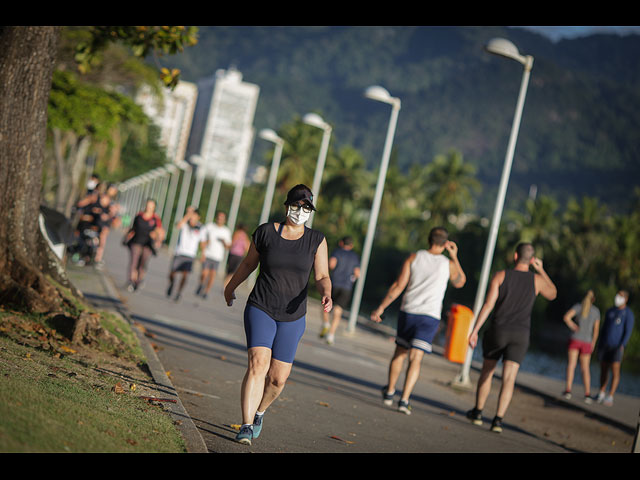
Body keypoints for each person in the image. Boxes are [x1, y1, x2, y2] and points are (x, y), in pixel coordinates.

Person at [223, 184, 332, 446]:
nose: (301, 211)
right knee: (257, 364)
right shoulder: (265, 233)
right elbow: (249, 263)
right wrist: (230, 287)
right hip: (261, 306)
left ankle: (259, 413)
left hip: (293, 316)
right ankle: (246, 425)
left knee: (277, 379)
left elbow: (322, 275)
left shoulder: (316, 240)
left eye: (306, 208)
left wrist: (327, 293)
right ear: (287, 206)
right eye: (297, 206)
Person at [370, 227, 466, 415]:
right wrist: (454, 256)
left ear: (429, 239)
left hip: (409, 312)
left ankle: (389, 392)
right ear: (446, 244)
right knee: (416, 358)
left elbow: (398, 286)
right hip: (430, 317)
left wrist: (381, 307)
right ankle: (404, 400)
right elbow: (460, 282)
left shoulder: (414, 258)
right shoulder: (448, 264)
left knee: (400, 352)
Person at [466, 243, 557, 433]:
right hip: (520, 335)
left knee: (487, 371)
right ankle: (498, 421)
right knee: (509, 378)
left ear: (515, 256)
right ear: (532, 260)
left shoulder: (501, 275)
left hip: (499, 330)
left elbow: (488, 305)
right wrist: (542, 271)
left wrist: (475, 330)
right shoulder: (537, 280)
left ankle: (478, 412)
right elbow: (553, 294)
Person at [595, 290, 634, 406]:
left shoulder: (628, 313)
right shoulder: (610, 310)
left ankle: (610, 396)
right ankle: (601, 392)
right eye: (618, 295)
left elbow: (628, 331)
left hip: (617, 346)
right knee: (603, 369)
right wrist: (599, 343)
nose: (618, 297)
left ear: (626, 299)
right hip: (605, 344)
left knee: (615, 371)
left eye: (621, 296)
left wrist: (622, 345)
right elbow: (604, 328)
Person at [319, 236, 360, 345]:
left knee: (326, 304)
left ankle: (326, 323)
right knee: (338, 311)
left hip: (334, 283)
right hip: (346, 286)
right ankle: (331, 335)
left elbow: (331, 264)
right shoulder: (355, 256)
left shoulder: (337, 251)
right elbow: (357, 273)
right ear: (351, 245)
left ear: (341, 243)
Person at [562, 290, 600, 404]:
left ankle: (568, 390)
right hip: (587, 342)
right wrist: (593, 343)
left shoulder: (578, 307)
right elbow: (596, 330)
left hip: (575, 338)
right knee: (585, 369)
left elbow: (566, 317)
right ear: (594, 299)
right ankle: (587, 394)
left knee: (571, 365)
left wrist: (573, 326)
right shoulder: (596, 311)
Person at [122, 198, 164, 292]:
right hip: (137, 241)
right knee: (134, 262)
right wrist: (127, 236)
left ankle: (138, 281)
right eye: (148, 205)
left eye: (151, 206)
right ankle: (131, 281)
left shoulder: (156, 218)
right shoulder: (139, 215)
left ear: (154, 207)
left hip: (148, 244)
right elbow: (133, 228)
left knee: (142, 264)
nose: (149, 207)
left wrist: (157, 239)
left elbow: (160, 231)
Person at [166, 207, 204, 303]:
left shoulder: (200, 227)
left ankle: (179, 292)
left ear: (198, 217)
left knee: (185, 275)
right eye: (192, 215)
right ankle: (172, 284)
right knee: (172, 273)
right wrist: (187, 215)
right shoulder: (185, 223)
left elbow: (202, 241)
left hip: (190, 255)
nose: (192, 217)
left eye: (194, 215)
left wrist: (203, 253)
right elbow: (178, 226)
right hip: (179, 252)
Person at [196, 211, 232, 299]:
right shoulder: (209, 226)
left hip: (217, 257)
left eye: (222, 218)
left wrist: (224, 242)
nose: (220, 219)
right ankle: (201, 284)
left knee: (212, 275)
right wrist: (203, 252)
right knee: (204, 273)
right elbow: (203, 239)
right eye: (219, 217)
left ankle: (206, 292)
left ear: (224, 220)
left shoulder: (226, 231)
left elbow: (228, 246)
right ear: (216, 218)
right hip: (208, 254)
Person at [94, 183, 121, 267]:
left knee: (102, 240)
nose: (113, 192)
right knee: (100, 239)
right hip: (100, 221)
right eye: (112, 189)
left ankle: (98, 257)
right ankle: (97, 257)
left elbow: (113, 213)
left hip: (106, 223)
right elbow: (102, 209)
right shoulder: (104, 198)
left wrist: (114, 212)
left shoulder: (113, 201)